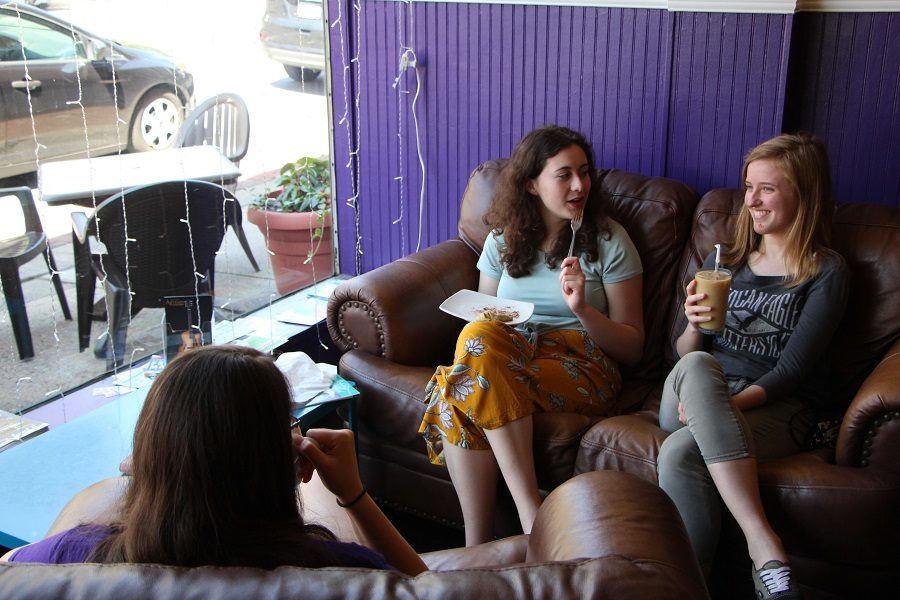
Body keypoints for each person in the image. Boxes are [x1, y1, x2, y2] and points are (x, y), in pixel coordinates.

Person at [1, 345, 427, 576]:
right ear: (287, 463)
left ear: (145, 459)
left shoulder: (70, 556)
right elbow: (424, 589)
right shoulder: (339, 568)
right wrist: (352, 494)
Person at [418, 125, 645, 546]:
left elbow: (632, 347)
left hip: (585, 363)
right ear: (532, 184)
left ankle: (510, 526)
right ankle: (491, 541)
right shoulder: (502, 241)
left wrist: (583, 309)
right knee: (476, 355)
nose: (580, 185)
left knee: (463, 386)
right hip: (514, 353)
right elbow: (483, 318)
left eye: (584, 172)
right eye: (564, 175)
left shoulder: (610, 241)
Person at [658, 132, 848, 599]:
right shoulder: (724, 262)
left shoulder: (826, 271)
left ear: (802, 194)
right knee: (700, 362)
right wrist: (693, 324)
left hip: (774, 404)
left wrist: (719, 408)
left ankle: (688, 589)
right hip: (696, 389)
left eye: (767, 188)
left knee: (681, 452)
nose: (753, 200)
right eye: (748, 186)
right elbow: (684, 356)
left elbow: (793, 371)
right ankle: (763, 545)